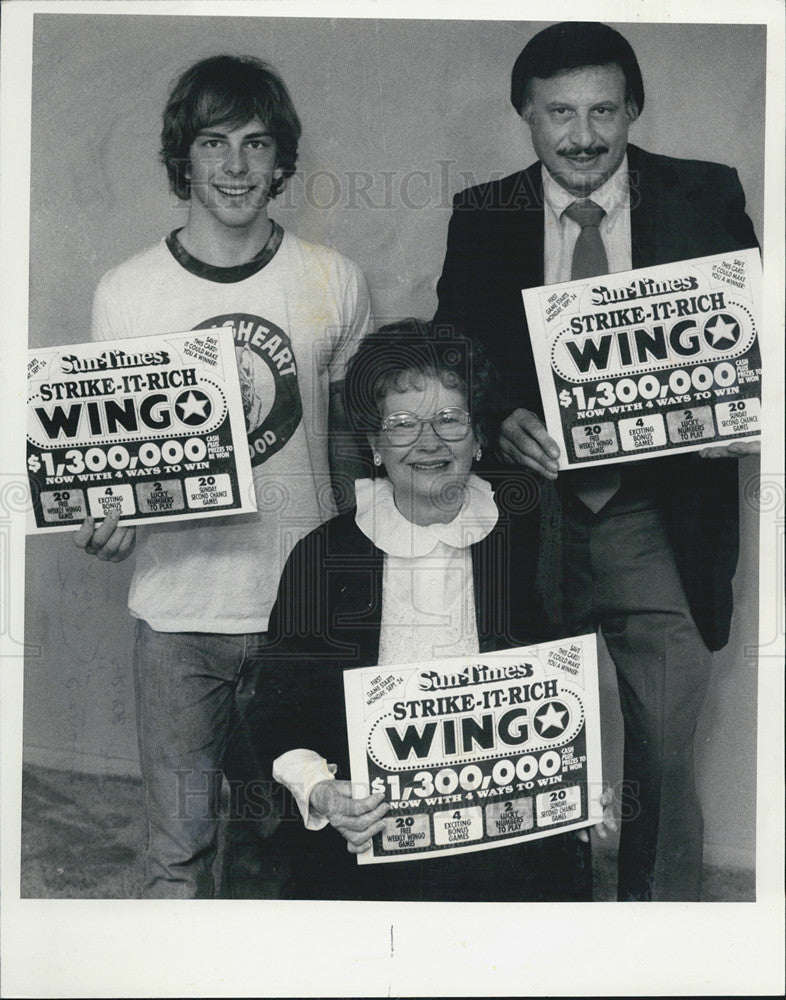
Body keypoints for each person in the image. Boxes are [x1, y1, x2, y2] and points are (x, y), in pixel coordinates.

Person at [433, 21, 760, 901]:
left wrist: (740, 400)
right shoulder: (483, 210)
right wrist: (499, 417)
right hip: (535, 516)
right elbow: (454, 353)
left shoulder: (704, 195)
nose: (583, 136)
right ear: (527, 119)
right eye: (560, 113)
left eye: (604, 110)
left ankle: (660, 937)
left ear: (633, 110)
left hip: (662, 515)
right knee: (541, 741)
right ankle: (556, 925)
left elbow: (750, 342)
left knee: (660, 749)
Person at [74, 55, 371, 898]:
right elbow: (112, 459)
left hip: (302, 612)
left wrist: (368, 579)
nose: (237, 167)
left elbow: (352, 448)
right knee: (179, 852)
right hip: (179, 613)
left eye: (256, 143)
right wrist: (107, 516)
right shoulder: (127, 292)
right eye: (214, 143)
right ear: (185, 159)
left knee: (292, 849)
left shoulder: (335, 279)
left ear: (282, 161)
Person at [245, 321, 611, 902]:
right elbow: (273, 711)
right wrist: (321, 791)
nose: (429, 443)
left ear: (479, 437)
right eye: (402, 424)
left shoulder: (531, 537)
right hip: (370, 836)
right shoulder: (325, 555)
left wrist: (571, 781)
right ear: (373, 443)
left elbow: (560, 683)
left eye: (449, 420)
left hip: (505, 839)